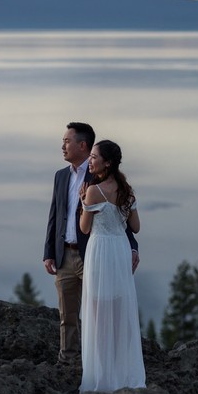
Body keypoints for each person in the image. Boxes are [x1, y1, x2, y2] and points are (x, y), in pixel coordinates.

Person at [43, 122, 138, 365]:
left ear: (82, 145)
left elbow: (117, 216)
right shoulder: (60, 176)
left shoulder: (99, 176)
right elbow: (55, 215)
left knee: (101, 311)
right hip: (64, 254)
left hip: (94, 255)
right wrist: (49, 253)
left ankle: (99, 360)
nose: (63, 146)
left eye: (67, 141)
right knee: (68, 314)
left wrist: (133, 246)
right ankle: (68, 360)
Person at [77, 139, 146, 391]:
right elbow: (135, 227)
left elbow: (84, 229)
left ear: (106, 162)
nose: (90, 161)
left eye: (94, 157)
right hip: (120, 251)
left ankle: (104, 377)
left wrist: (83, 200)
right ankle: (121, 372)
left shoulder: (94, 191)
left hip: (100, 251)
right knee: (118, 312)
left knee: (97, 313)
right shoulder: (127, 191)